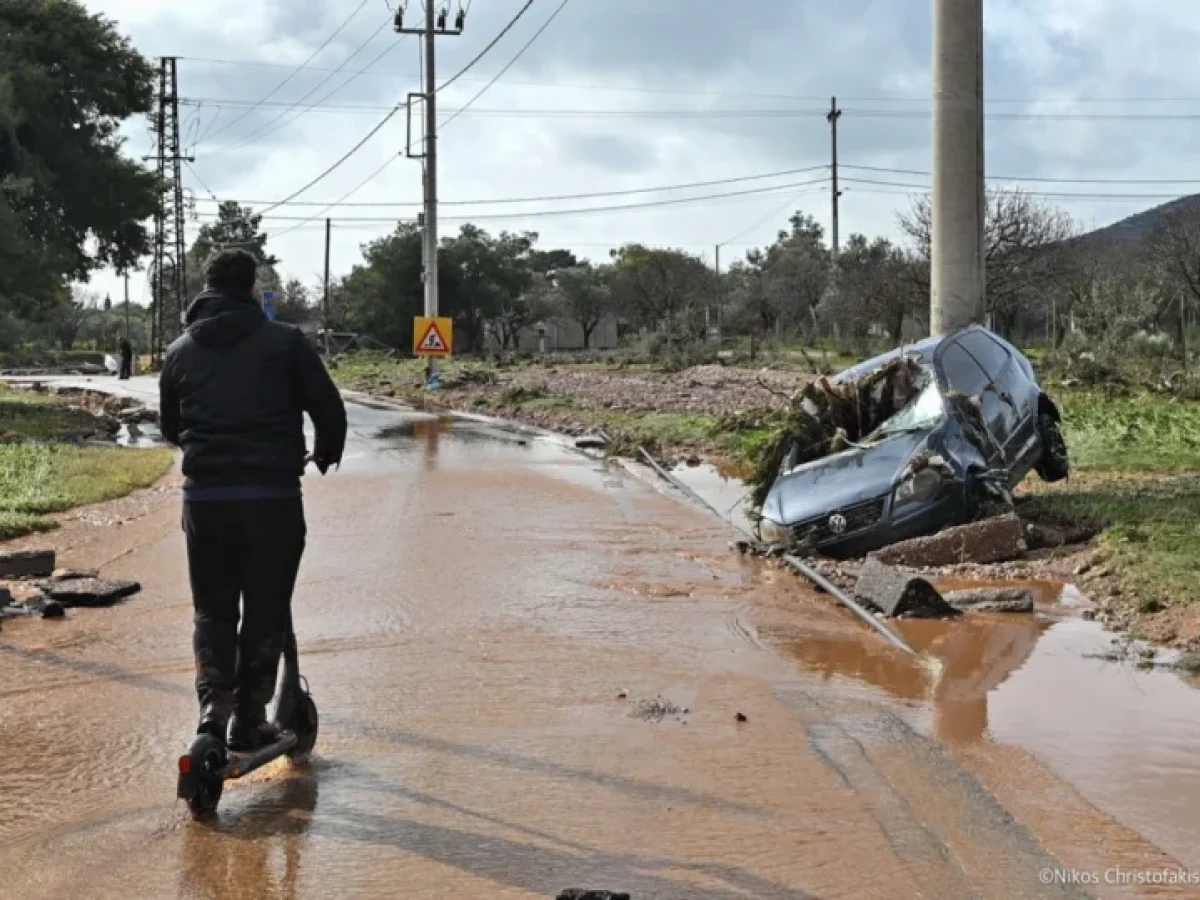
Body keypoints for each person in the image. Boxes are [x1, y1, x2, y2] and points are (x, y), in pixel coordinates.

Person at [159, 249, 347, 751]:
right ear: (250, 289)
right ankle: (250, 716)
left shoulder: (178, 352)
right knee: (266, 607)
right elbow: (329, 410)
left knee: (213, 612)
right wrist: (325, 453)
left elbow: (170, 429)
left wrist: (210, 457)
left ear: (206, 289)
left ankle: (210, 713)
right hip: (273, 500)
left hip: (206, 503)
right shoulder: (286, 343)